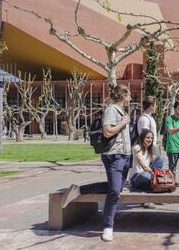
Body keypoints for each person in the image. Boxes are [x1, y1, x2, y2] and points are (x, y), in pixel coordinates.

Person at [60, 84, 131, 242]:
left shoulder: (121, 111)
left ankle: (79, 190)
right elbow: (107, 131)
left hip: (124, 156)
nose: (131, 97)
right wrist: (124, 122)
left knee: (116, 188)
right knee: (114, 192)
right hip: (114, 156)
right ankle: (108, 226)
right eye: (129, 94)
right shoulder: (112, 110)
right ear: (123, 95)